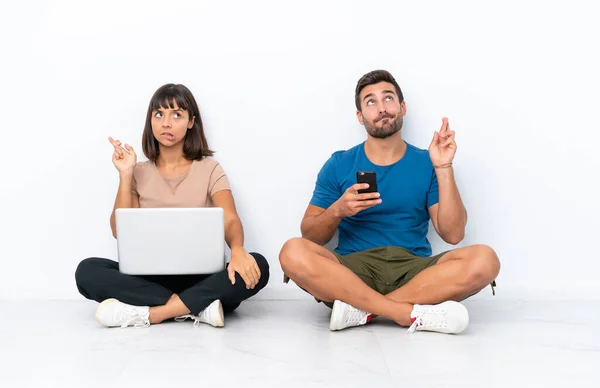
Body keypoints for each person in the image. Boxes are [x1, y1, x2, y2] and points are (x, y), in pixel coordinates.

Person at [279, 70, 500, 334]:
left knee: (486, 260)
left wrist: (443, 166)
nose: (382, 108)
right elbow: (310, 236)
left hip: (414, 270)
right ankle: (404, 312)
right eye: (371, 102)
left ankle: (363, 310)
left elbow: (453, 234)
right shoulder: (339, 164)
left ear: (402, 107)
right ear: (360, 116)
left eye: (388, 98)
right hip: (352, 272)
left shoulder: (427, 162)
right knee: (292, 251)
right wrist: (338, 210)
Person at [75, 83, 269, 328]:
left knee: (258, 264)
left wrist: (238, 249)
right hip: (149, 278)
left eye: (177, 114)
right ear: (151, 121)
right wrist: (125, 174)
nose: (166, 123)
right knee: (87, 271)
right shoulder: (138, 172)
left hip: (200, 277)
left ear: (191, 122)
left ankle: (154, 313)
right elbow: (119, 231)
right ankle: (198, 306)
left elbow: (229, 217)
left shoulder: (210, 168)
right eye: (159, 114)